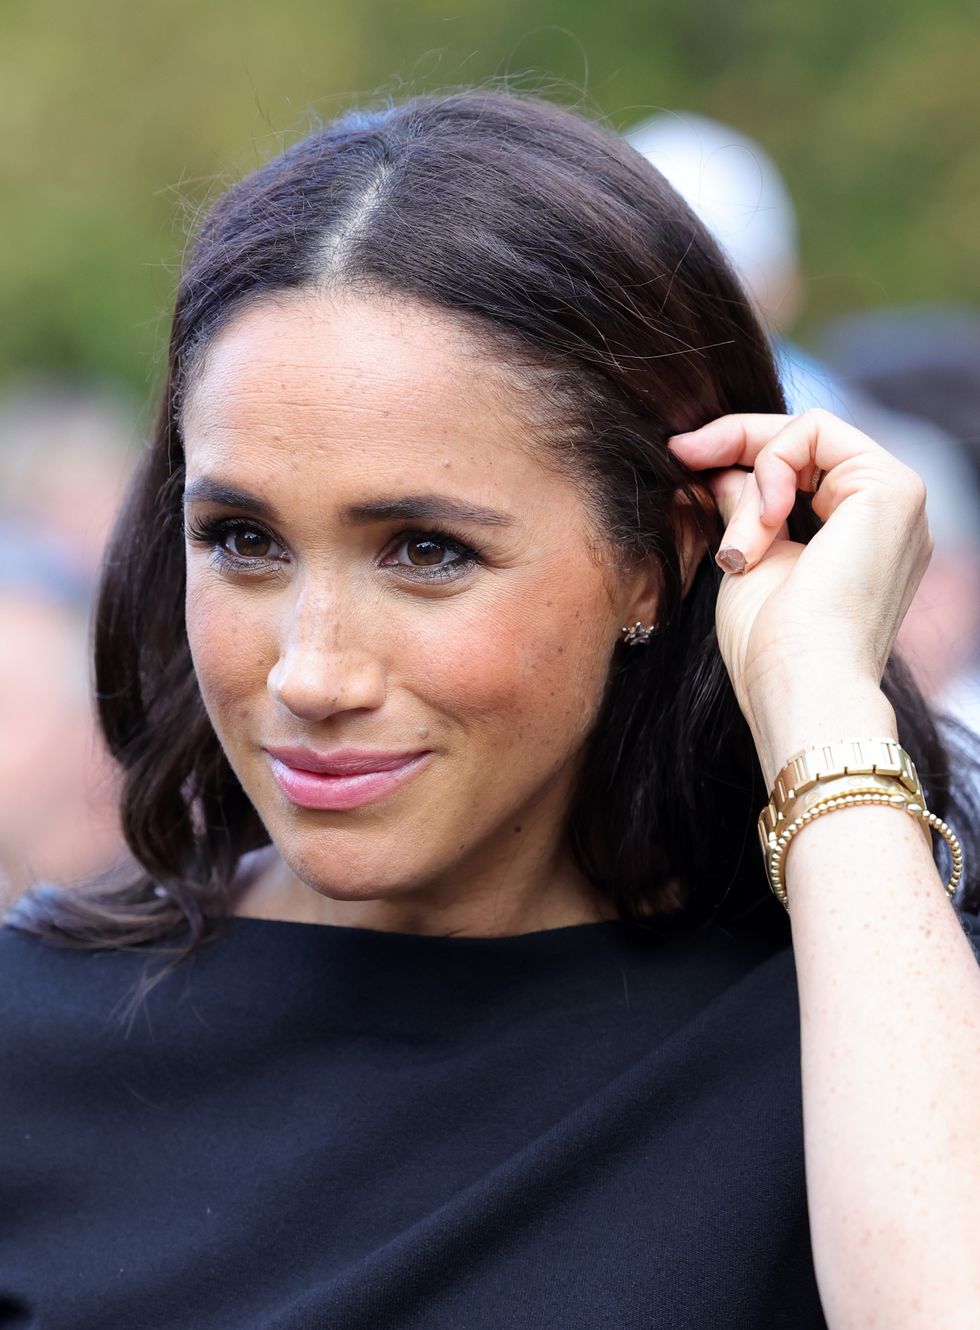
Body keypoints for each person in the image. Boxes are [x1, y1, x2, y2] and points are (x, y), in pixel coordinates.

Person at [2, 89, 979, 1330]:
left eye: (425, 550)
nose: (311, 672)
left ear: (656, 557)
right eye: (242, 539)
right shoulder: (33, 1040)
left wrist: (819, 700)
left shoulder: (877, 1023)